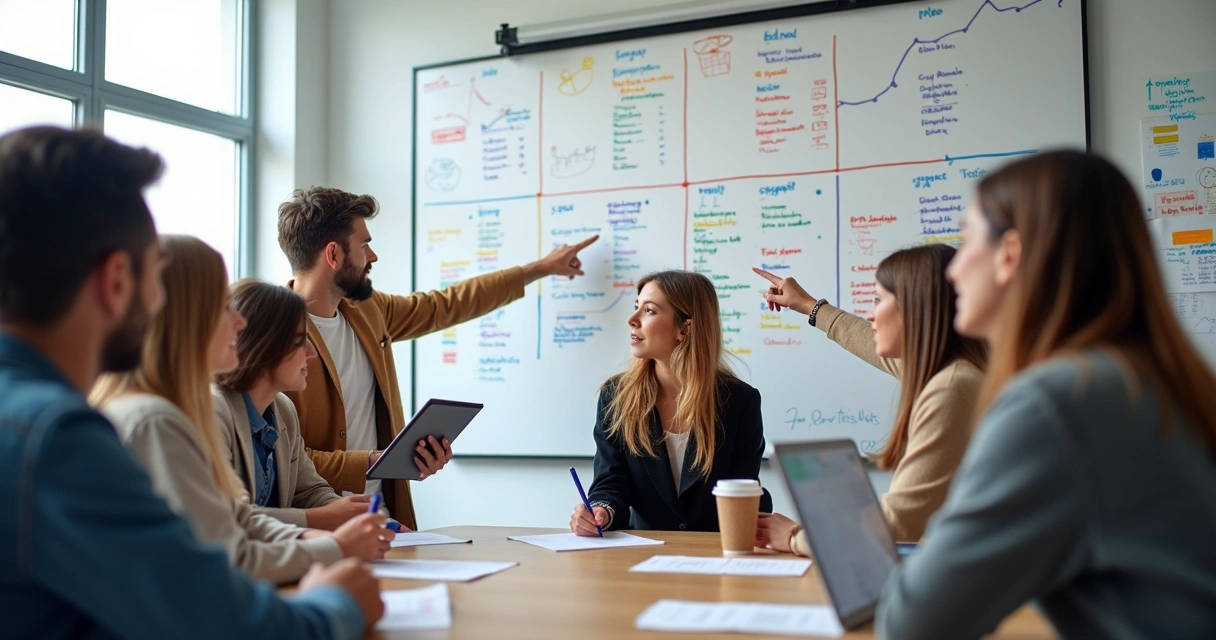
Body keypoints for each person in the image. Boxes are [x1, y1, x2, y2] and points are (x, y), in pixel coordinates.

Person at [0, 126, 381, 639]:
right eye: (157, 276)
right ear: (117, 281)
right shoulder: (62, 439)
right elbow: (220, 620)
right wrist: (334, 603)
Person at [876, 150, 1216, 639]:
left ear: (1009, 256)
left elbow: (913, 624)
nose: (952, 272)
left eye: (968, 239)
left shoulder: (1057, 403)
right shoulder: (1142, 379)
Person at [279, 186, 598, 528]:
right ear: (333, 255)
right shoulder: (272, 337)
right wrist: (375, 460)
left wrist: (541, 268)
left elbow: (446, 304)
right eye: (364, 245)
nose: (372, 257)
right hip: (317, 529)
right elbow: (285, 459)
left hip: (385, 522)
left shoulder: (368, 311)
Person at [93, 236, 392, 585]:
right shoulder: (158, 421)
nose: (239, 323)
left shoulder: (167, 412)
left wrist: (313, 537)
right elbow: (230, 559)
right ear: (187, 318)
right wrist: (336, 547)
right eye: (223, 306)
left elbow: (236, 517)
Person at [752, 244, 986, 550]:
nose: (871, 315)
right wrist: (809, 306)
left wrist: (797, 537)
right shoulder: (955, 371)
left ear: (917, 309)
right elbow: (864, 338)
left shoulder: (952, 387)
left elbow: (898, 523)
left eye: (879, 300)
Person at [571, 270, 772, 535]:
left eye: (650, 311)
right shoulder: (616, 395)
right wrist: (601, 510)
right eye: (636, 307)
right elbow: (611, 482)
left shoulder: (739, 401)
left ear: (685, 328)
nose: (632, 320)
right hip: (642, 555)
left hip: (716, 553)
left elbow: (742, 486)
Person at [213, 278, 379, 530]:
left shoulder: (283, 410)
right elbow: (224, 516)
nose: (311, 352)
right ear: (264, 344)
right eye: (301, 340)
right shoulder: (213, 411)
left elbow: (310, 491)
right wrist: (324, 519)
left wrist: (359, 516)